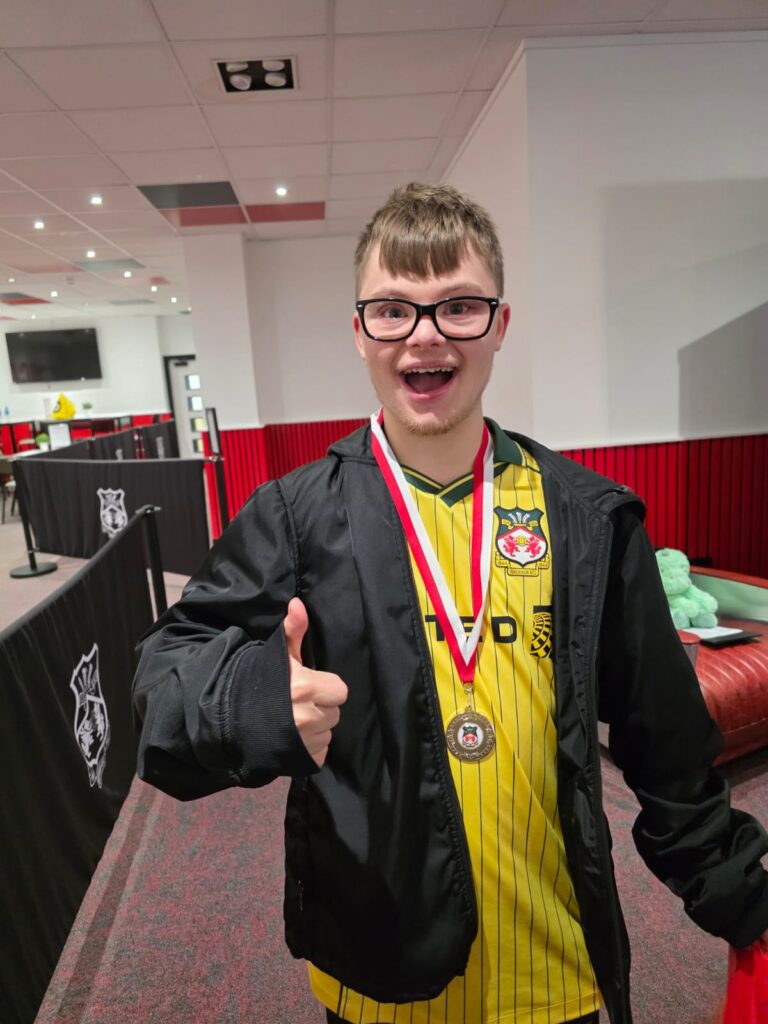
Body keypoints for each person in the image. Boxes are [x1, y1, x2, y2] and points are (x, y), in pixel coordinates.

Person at [133, 183, 768, 1024]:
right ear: (359, 332)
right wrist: (252, 700)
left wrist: (741, 896)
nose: (425, 334)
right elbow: (161, 687)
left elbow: (669, 743)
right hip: (377, 970)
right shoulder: (295, 516)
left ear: (500, 324)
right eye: (393, 310)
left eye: (459, 306)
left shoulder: (587, 518)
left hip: (556, 970)